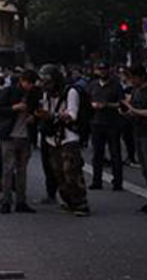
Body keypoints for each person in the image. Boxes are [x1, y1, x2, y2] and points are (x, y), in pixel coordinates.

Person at [36, 65, 90, 216]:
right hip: (52, 138)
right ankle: (68, 201)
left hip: (69, 136)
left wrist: (53, 116)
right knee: (57, 172)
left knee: (71, 171)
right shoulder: (46, 94)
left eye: (48, 82)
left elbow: (72, 115)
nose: (46, 86)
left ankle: (81, 203)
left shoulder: (70, 92)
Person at [0, 69, 39, 214]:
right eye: (28, 83)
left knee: (22, 170)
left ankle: (21, 201)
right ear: (22, 81)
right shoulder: (9, 91)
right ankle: (6, 201)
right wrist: (14, 107)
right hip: (10, 135)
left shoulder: (34, 94)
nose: (30, 86)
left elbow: (38, 110)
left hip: (26, 136)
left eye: (32, 83)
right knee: (8, 170)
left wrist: (34, 117)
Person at [120, 65, 147, 213]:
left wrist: (134, 110)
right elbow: (134, 109)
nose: (130, 81)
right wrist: (127, 112)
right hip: (138, 131)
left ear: (139, 77)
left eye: (132, 78)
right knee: (145, 169)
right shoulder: (136, 91)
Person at [87, 61, 125, 191]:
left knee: (115, 153)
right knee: (97, 154)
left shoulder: (116, 85)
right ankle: (96, 181)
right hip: (96, 123)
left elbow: (121, 103)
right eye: (100, 69)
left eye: (104, 69)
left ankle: (117, 182)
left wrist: (106, 105)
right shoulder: (92, 85)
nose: (102, 71)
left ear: (108, 70)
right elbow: (87, 101)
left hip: (112, 123)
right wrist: (92, 105)